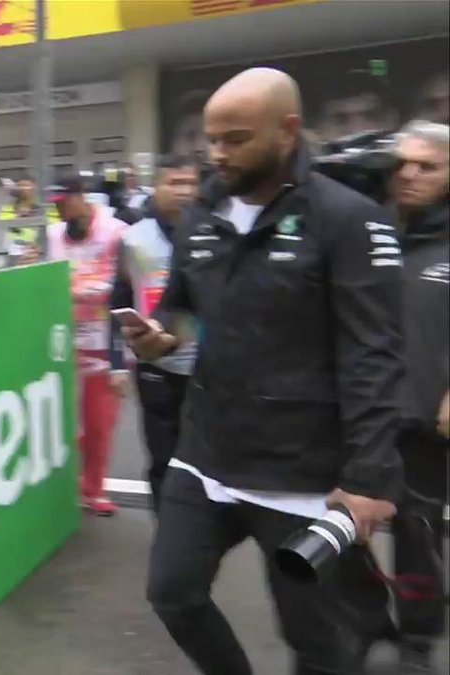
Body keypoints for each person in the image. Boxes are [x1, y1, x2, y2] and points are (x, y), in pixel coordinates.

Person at [128, 68, 404, 675]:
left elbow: (374, 357)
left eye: (236, 139)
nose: (218, 153)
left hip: (301, 474)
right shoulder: (202, 213)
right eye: (212, 140)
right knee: (172, 592)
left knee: (316, 641)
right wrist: (161, 338)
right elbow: (183, 309)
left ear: (289, 131)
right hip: (206, 455)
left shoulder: (348, 220)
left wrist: (366, 477)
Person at [389, 119, 449, 674]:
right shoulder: (373, 232)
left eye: (427, 166)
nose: (409, 175)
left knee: (417, 533)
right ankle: (365, 621)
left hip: (430, 420)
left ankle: (418, 636)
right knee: (345, 525)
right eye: (402, 163)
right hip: (366, 412)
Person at [108, 155, 199, 511]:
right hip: (155, 368)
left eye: (190, 183)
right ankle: (167, 528)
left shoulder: (213, 233)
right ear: (155, 187)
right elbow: (117, 301)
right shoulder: (133, 239)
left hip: (207, 369)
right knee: (163, 458)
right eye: (174, 183)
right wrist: (116, 362)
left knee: (207, 461)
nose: (184, 192)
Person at [48, 175, 128, 516]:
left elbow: (118, 288)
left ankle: (93, 488)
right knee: (60, 419)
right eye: (56, 206)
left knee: (98, 422)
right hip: (61, 339)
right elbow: (46, 278)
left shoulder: (116, 232)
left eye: (65, 203)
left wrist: (75, 286)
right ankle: (68, 482)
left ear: (82, 198)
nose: (61, 212)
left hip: (102, 342)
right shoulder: (52, 234)